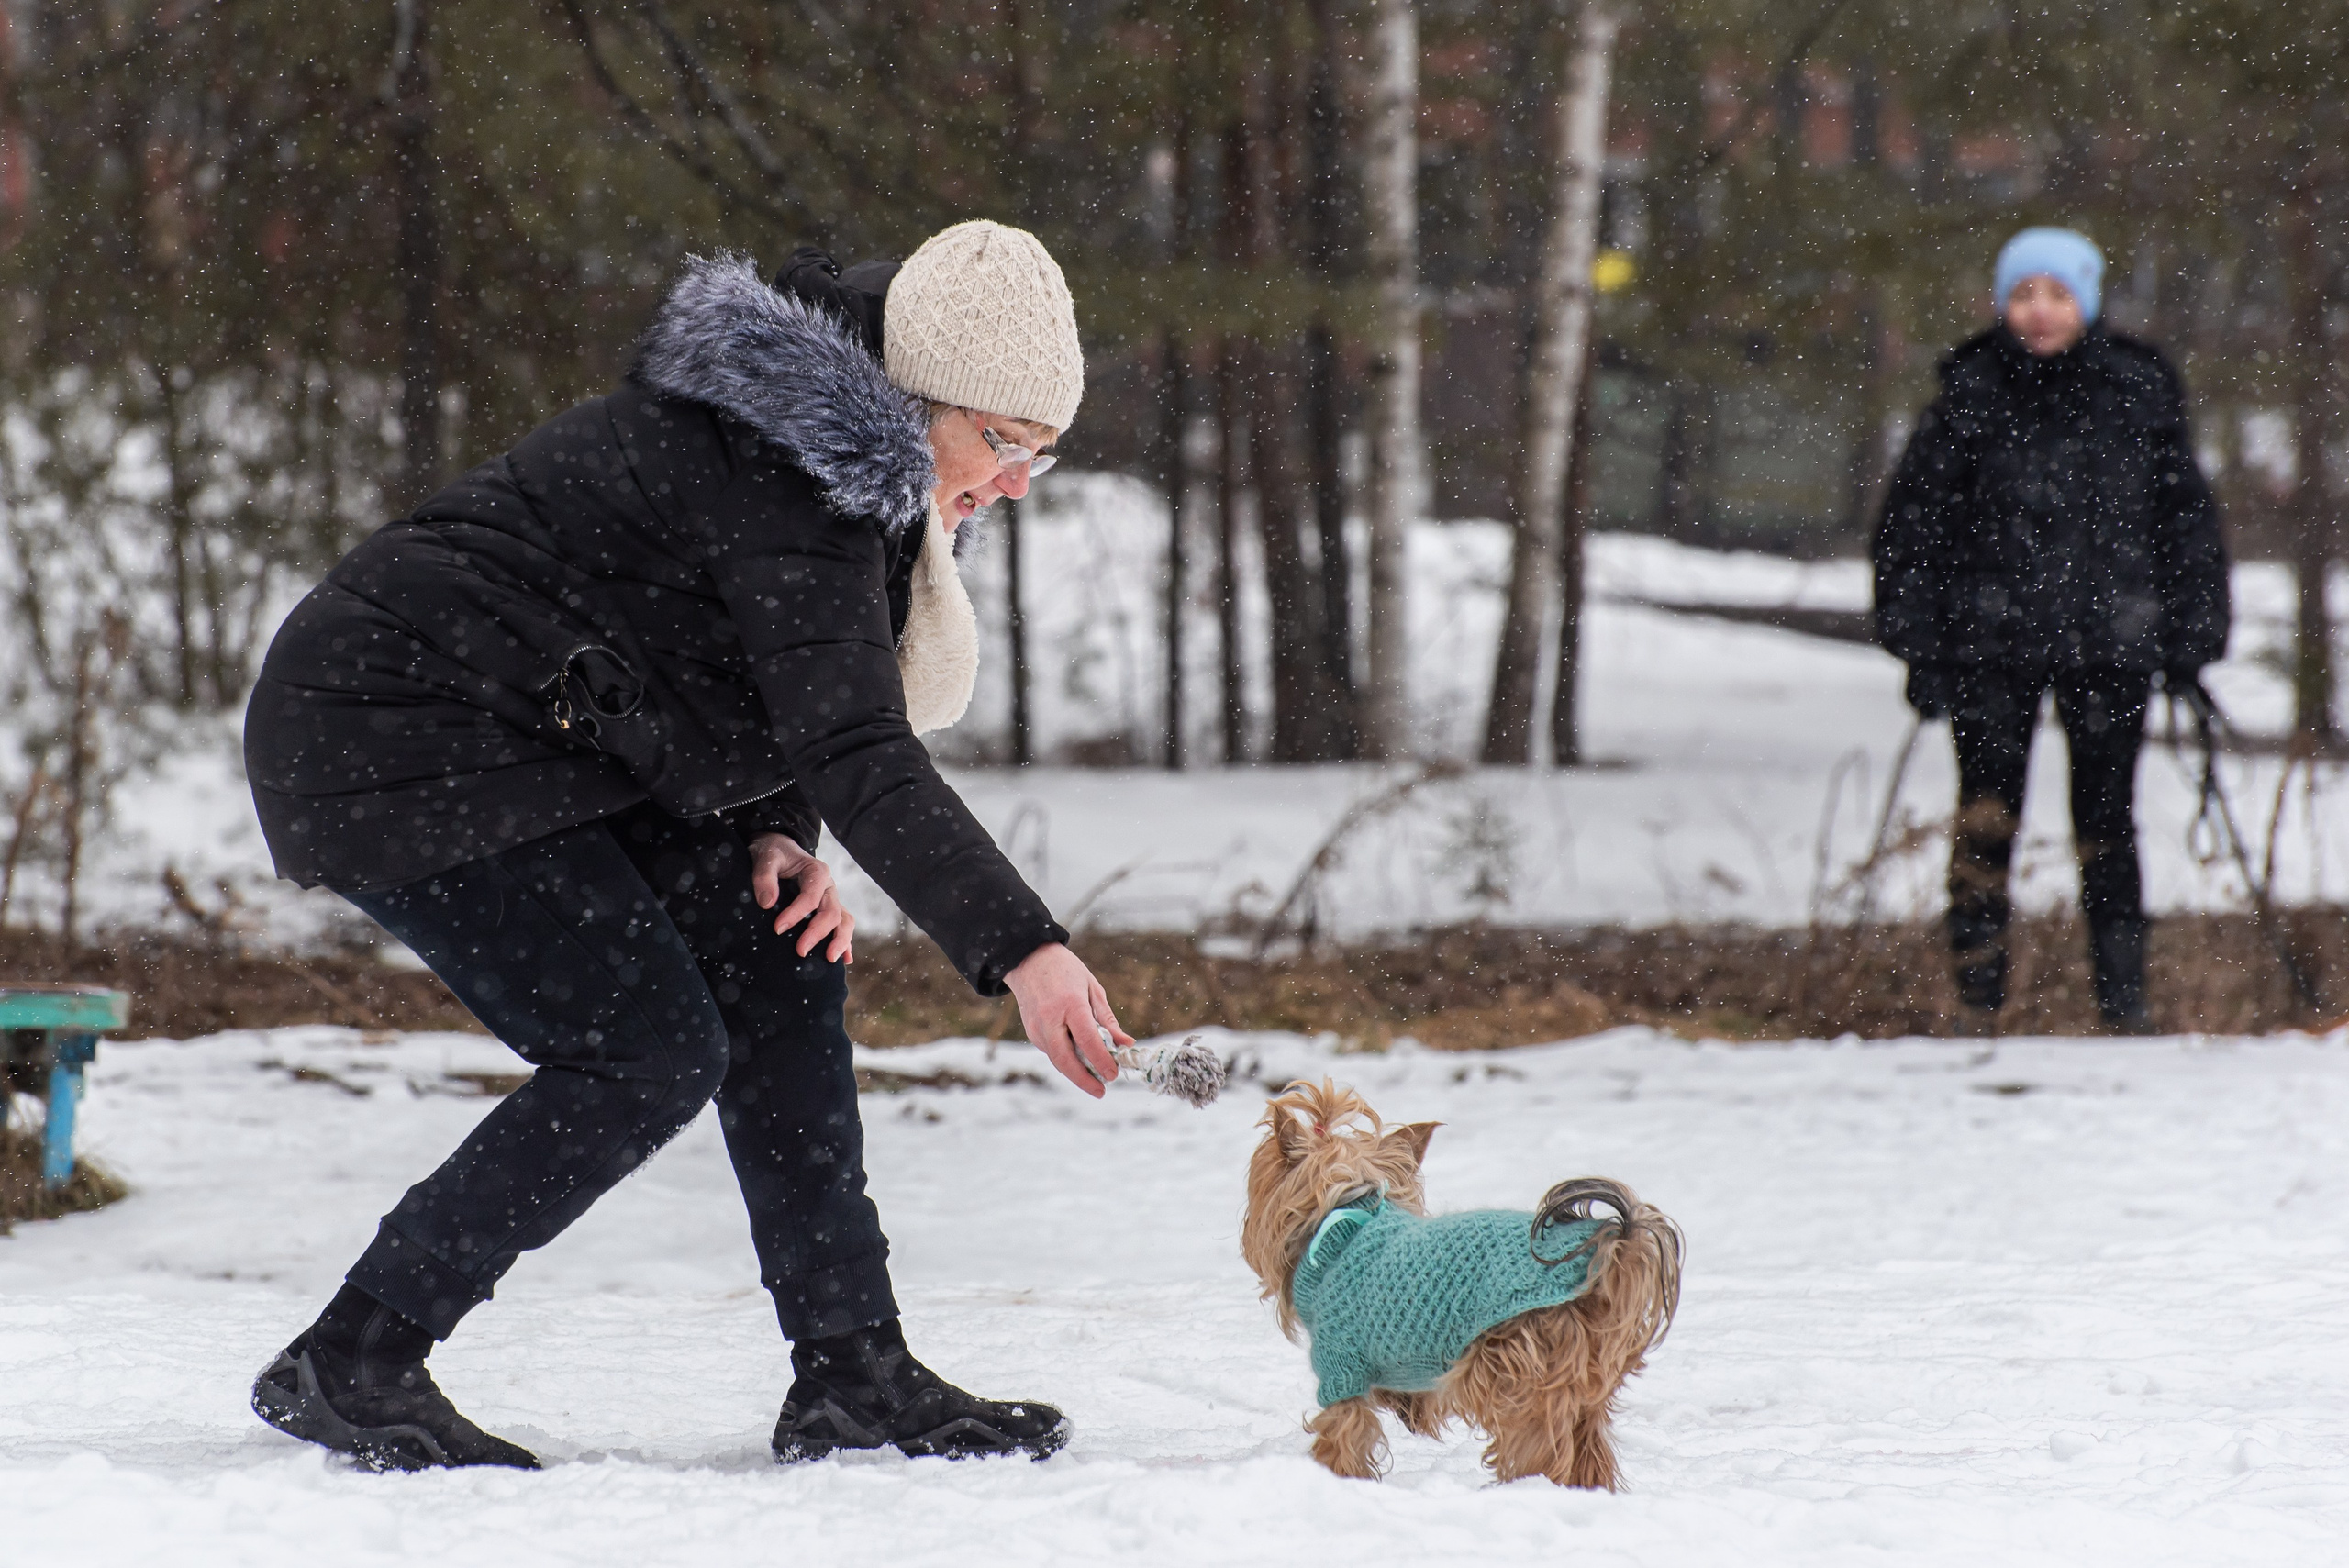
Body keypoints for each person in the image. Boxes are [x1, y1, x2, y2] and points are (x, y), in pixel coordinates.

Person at [240, 219, 1133, 1471]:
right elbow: (859, 742)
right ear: (922, 396)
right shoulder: (791, 471)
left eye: (1044, 452)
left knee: (778, 951)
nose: (1018, 480)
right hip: (390, 732)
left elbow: (764, 675)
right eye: (1002, 441)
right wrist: (1024, 949)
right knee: (641, 1048)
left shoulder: (855, 468)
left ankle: (853, 1371)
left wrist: (771, 826)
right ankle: (354, 1357)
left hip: (544, 735)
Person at [1873, 227, 2229, 1034]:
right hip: (1988, 648)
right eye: (2024, 293)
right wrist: (1918, 642)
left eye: (2058, 294)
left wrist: (2191, 639)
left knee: (2108, 825)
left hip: (2111, 647)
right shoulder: (1967, 396)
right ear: (2001, 302)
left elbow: (2186, 527)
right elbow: (1912, 531)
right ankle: (1978, 999)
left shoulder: (2138, 395)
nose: (2039, 312)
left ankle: (2123, 1003)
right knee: (1986, 822)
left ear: (2088, 301)